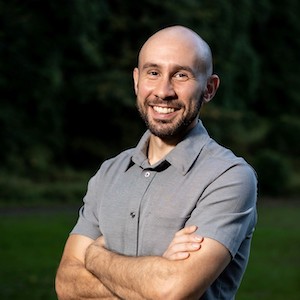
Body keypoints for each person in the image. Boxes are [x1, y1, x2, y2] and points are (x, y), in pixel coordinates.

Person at [55, 25, 257, 300]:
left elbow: (170, 291)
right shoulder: (109, 172)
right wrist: (157, 269)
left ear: (209, 88)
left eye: (181, 75)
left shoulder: (229, 177)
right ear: (137, 81)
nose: (163, 91)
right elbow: (66, 284)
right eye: (153, 73)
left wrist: (94, 256)